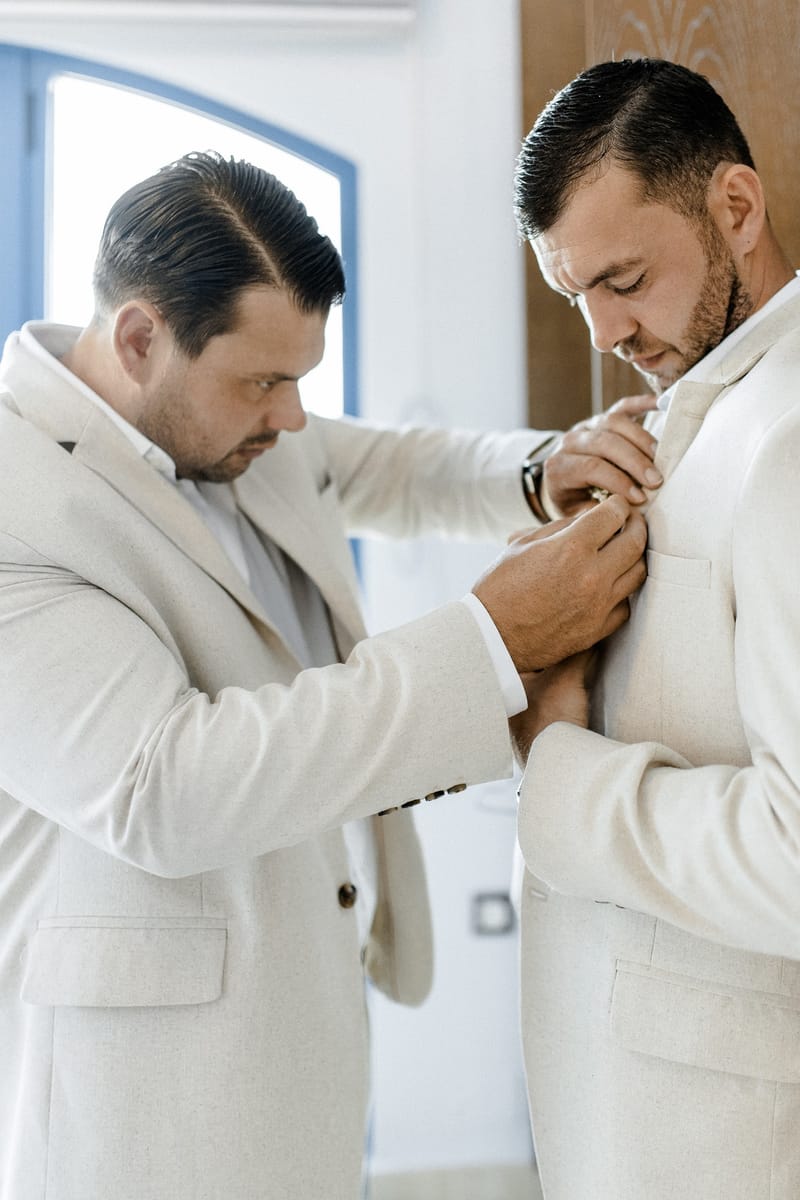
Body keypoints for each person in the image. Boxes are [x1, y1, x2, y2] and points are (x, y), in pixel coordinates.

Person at [0, 151, 651, 1200]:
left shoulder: (236, 424)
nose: (292, 416)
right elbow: (166, 787)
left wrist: (538, 469)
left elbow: (375, 465)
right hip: (140, 1104)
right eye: (265, 382)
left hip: (292, 1025)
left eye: (300, 377)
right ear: (137, 338)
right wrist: (489, 640)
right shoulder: (12, 506)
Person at [511, 57, 800, 1200]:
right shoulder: (698, 406)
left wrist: (556, 765)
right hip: (640, 1097)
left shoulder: (787, 441)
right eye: (574, 295)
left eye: (624, 279)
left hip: (722, 1133)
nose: (603, 332)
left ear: (734, 207)